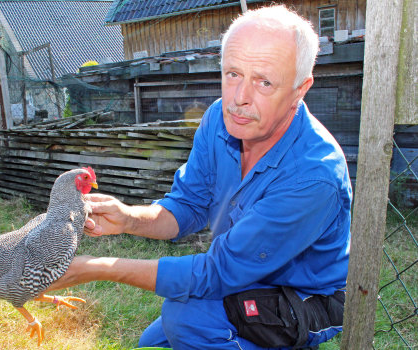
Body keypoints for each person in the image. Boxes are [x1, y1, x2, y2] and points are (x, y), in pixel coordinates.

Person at [47, 5, 352, 349]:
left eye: (264, 82)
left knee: (185, 318)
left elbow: (218, 273)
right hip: (247, 273)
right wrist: (129, 217)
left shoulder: (313, 176)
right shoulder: (220, 120)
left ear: (300, 88)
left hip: (303, 298)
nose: (239, 99)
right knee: (153, 343)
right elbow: (189, 205)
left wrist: (97, 267)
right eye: (233, 74)